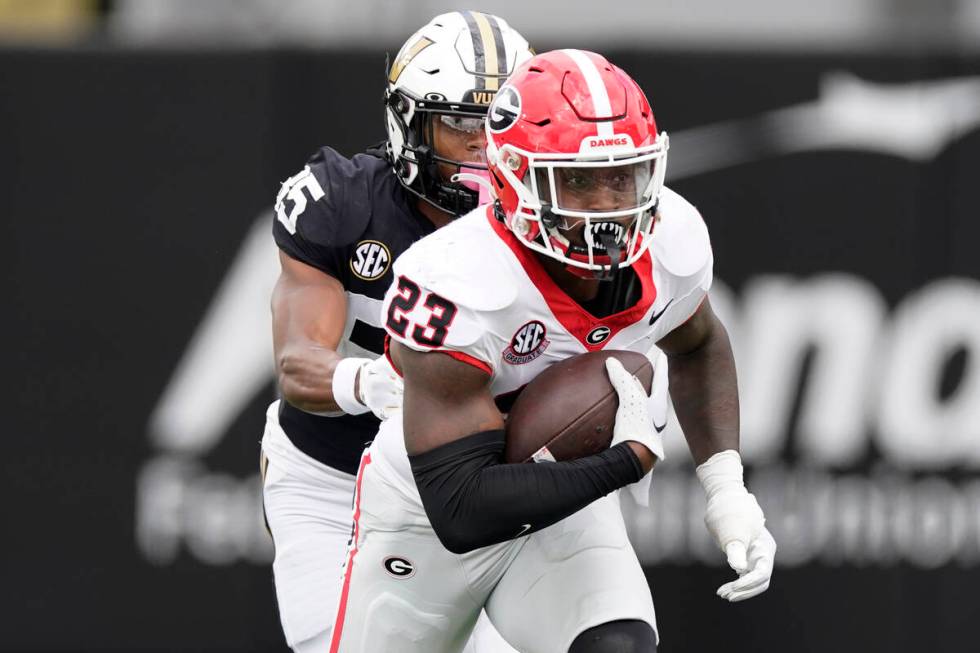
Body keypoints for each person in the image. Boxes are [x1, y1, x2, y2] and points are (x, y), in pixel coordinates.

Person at [329, 49, 778, 653]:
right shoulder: (454, 278)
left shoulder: (672, 239)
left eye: (622, 176)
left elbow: (698, 342)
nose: (605, 207)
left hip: (562, 509)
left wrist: (727, 487)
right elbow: (459, 509)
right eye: (577, 179)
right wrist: (628, 460)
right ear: (512, 173)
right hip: (423, 520)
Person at [261, 12, 533, 653]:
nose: (484, 148)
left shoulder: (544, 227)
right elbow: (300, 366)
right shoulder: (344, 206)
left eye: (499, 125)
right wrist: (382, 384)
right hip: (336, 479)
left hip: (476, 486)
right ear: (410, 123)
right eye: (462, 124)